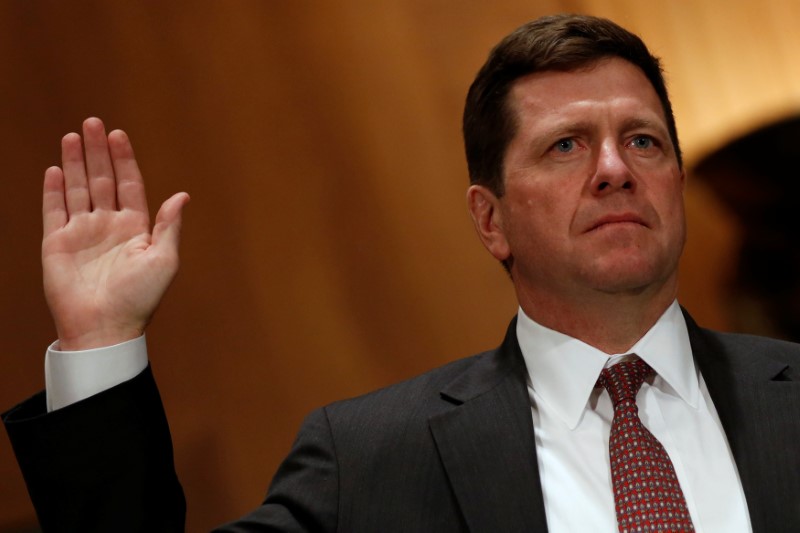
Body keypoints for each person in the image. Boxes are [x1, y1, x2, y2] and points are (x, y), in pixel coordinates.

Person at [4, 13, 800, 533]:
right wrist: (103, 338)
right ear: (490, 220)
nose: (614, 169)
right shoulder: (371, 459)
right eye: (565, 145)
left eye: (644, 141)